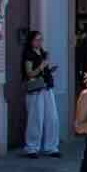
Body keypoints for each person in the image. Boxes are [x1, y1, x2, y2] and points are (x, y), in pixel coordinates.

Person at [20, 30, 60, 158]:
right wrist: (42, 66)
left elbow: (43, 70)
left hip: (47, 87)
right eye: (37, 39)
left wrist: (49, 69)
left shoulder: (43, 53)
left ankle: (51, 147)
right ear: (31, 41)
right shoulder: (28, 54)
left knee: (52, 118)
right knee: (36, 118)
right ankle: (32, 148)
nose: (39, 42)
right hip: (36, 89)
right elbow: (29, 73)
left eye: (41, 39)